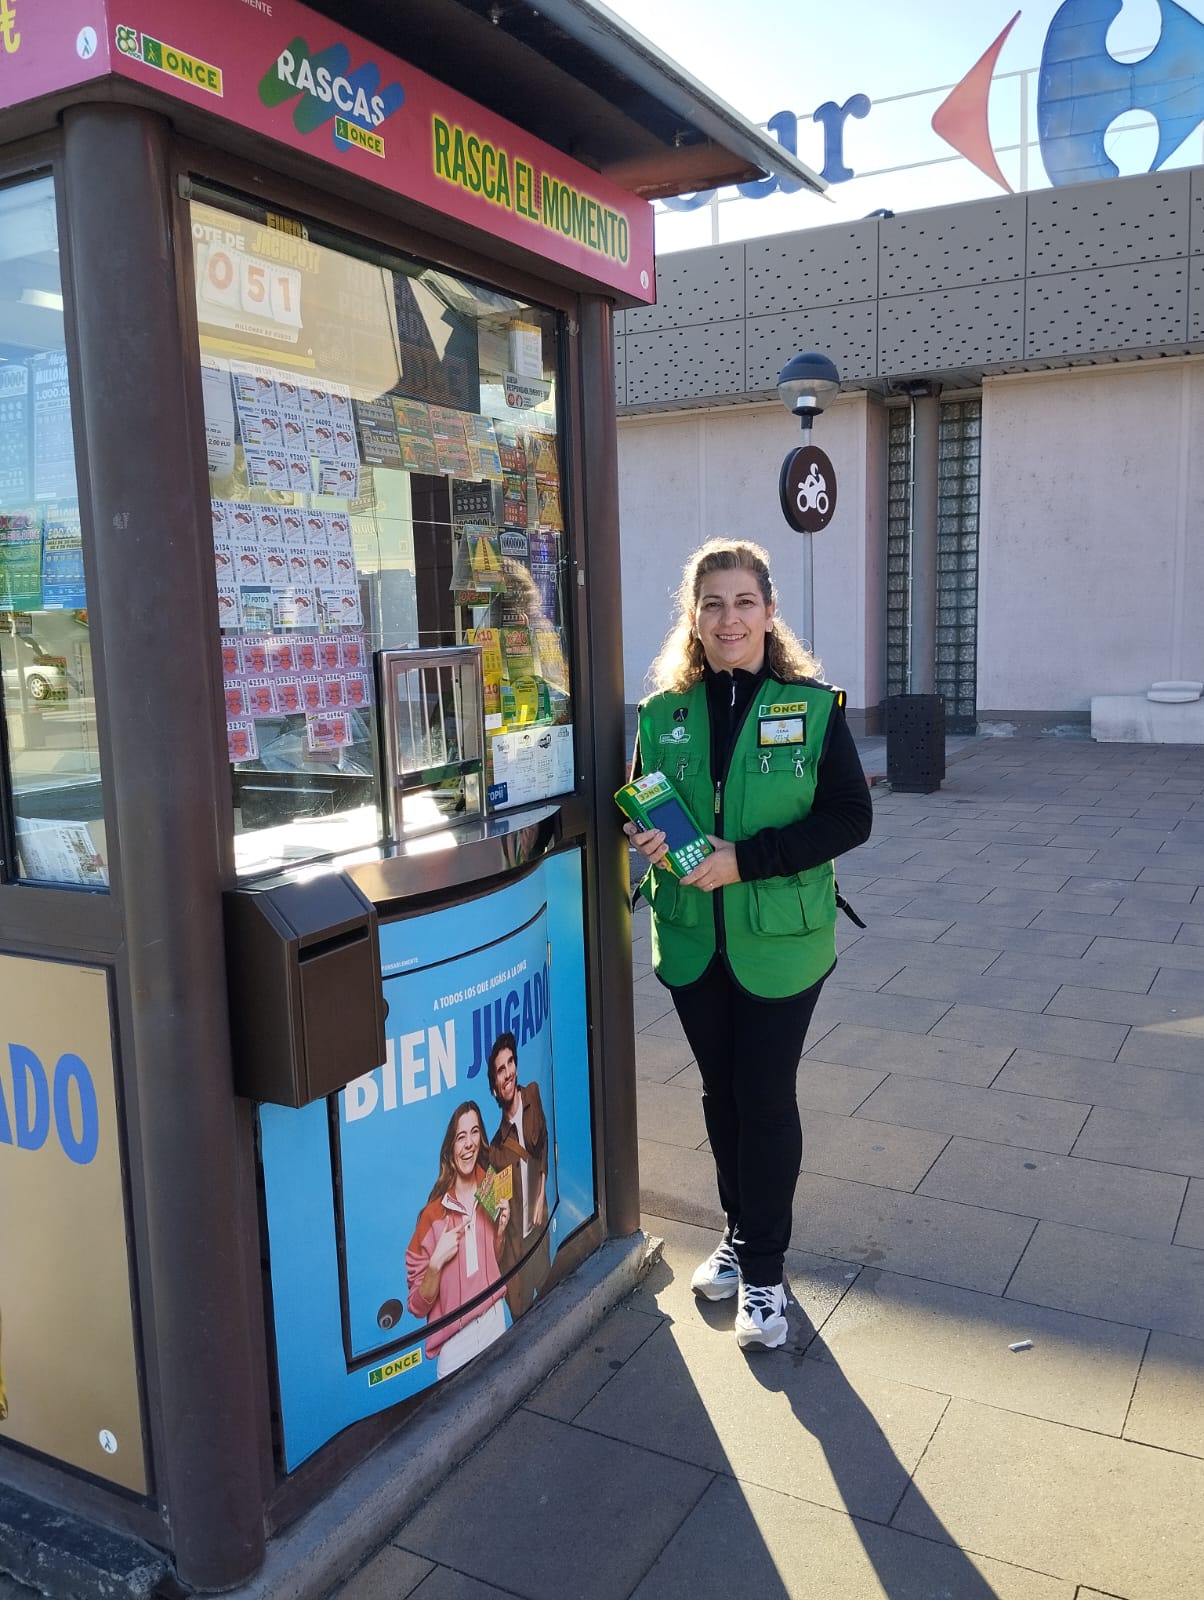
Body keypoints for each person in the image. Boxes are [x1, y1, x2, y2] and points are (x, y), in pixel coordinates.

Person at [625, 538, 872, 1351]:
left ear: (769, 612)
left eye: (742, 603)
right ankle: (737, 1230)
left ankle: (765, 1274)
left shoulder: (810, 707)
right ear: (692, 621)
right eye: (711, 605)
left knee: (764, 1098)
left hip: (781, 943)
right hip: (694, 939)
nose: (727, 619)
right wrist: (646, 838)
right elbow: (644, 807)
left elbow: (849, 818)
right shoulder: (661, 716)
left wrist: (746, 860)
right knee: (720, 1094)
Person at [405, 1101, 511, 1378]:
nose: (468, 1144)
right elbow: (417, 1306)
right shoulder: (431, 1217)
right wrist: (436, 1264)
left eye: (474, 1132)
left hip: (494, 1319)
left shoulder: (491, 1185)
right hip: (455, 1340)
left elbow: (494, 1260)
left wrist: (500, 1232)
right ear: (450, 1148)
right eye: (460, 1136)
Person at [487, 1031, 550, 1317]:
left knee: (550, 1302)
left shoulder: (533, 1094)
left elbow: (543, 1142)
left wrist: (540, 1196)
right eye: (501, 1070)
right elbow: (491, 1214)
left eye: (511, 1063)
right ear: (494, 1088)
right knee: (522, 1319)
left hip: (538, 1234)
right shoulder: (494, 1149)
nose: (509, 1073)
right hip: (514, 1252)